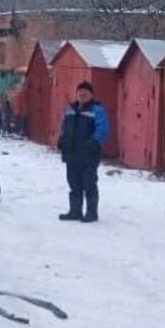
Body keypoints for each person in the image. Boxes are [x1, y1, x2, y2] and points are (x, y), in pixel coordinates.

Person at [57, 80, 108, 222]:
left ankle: (91, 213)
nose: (82, 94)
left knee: (89, 184)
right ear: (77, 93)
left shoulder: (97, 110)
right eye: (80, 91)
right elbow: (64, 126)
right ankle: (75, 211)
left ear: (91, 94)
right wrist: (61, 139)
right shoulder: (70, 109)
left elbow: (103, 129)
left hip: (88, 154)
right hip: (71, 153)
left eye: (86, 92)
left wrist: (94, 142)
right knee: (74, 184)